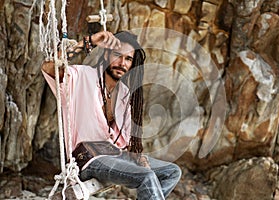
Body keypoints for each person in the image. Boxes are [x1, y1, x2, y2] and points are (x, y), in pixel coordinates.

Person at [41, 30, 181, 199]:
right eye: (117, 55)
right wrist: (90, 41)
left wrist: (139, 158)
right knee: (147, 177)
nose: (122, 63)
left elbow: (127, 141)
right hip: (88, 158)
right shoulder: (82, 76)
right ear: (106, 54)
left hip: (116, 154)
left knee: (172, 172)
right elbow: (50, 67)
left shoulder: (125, 93)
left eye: (128, 59)